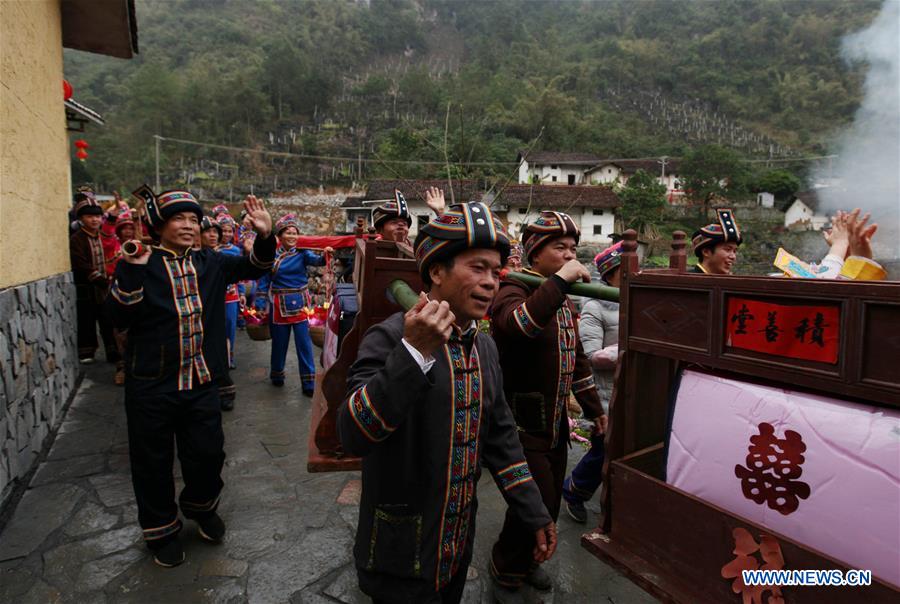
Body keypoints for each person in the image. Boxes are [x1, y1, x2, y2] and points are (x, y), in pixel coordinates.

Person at [338, 202, 556, 604]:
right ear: (436, 272)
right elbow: (353, 433)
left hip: (456, 544)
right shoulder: (389, 338)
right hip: (398, 551)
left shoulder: (484, 347)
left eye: (496, 270)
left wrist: (533, 511)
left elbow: (502, 438)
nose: (491, 282)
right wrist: (414, 353)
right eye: (477, 268)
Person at [106, 188, 275, 568]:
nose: (188, 226)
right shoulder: (140, 263)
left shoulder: (210, 262)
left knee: (208, 452)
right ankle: (162, 530)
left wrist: (265, 236)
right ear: (159, 225)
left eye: (193, 219)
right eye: (179, 219)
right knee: (152, 462)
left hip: (200, 381)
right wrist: (132, 268)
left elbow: (256, 268)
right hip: (151, 383)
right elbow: (117, 316)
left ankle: (199, 506)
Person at [488, 210, 606, 597]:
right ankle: (505, 565)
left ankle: (524, 562)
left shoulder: (566, 305)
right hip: (518, 424)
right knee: (534, 501)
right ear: (535, 254)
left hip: (553, 425)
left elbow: (579, 362)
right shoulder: (512, 290)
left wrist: (595, 411)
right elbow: (519, 325)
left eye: (573, 249)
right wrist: (560, 281)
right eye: (560, 249)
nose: (570, 256)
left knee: (549, 501)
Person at [561, 242, 622, 523]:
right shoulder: (594, 307)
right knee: (602, 450)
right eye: (626, 271)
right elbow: (590, 355)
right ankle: (574, 491)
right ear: (610, 274)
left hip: (630, 389)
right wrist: (627, 350)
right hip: (605, 392)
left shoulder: (635, 301)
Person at [255, 214, 332, 395]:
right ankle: (277, 375)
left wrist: (326, 253)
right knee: (279, 344)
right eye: (288, 233)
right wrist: (259, 304)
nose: (292, 236)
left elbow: (317, 261)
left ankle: (309, 384)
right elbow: (264, 281)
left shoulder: (303, 252)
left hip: (300, 305)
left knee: (304, 344)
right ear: (280, 236)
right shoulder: (271, 255)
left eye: (294, 233)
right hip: (278, 305)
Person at [70, 187, 118, 365]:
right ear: (81, 219)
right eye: (90, 216)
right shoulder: (77, 239)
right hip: (88, 286)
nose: (95, 219)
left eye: (97, 216)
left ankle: (113, 352)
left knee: (108, 320)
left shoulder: (101, 236)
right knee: (87, 319)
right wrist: (99, 279)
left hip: (104, 285)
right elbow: (81, 264)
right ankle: (86, 352)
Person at [214, 208, 243, 368]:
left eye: (229, 231)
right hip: (214, 294)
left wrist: (243, 293)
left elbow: (239, 274)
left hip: (232, 295)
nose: (226, 234)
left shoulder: (236, 251)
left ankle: (229, 359)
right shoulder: (211, 250)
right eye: (223, 231)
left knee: (230, 326)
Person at [690, 208, 742, 275]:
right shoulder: (689, 281)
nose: (733, 257)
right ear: (706, 252)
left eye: (734, 251)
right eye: (728, 250)